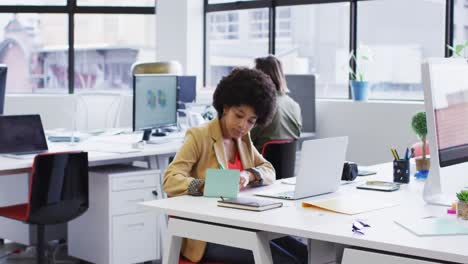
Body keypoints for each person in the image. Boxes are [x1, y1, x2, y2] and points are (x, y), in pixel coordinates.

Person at [163, 68, 307, 264]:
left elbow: (269, 170)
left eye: (251, 121)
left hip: (241, 224)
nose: (243, 126)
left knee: (305, 254)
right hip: (207, 235)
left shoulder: (243, 139)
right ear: (225, 107)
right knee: (287, 261)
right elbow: (170, 179)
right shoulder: (199, 136)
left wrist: (249, 175)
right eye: (239, 115)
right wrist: (206, 185)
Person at [250, 55, 303, 153]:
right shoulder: (295, 106)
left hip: (257, 165)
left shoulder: (262, 106)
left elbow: (244, 139)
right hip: (287, 167)